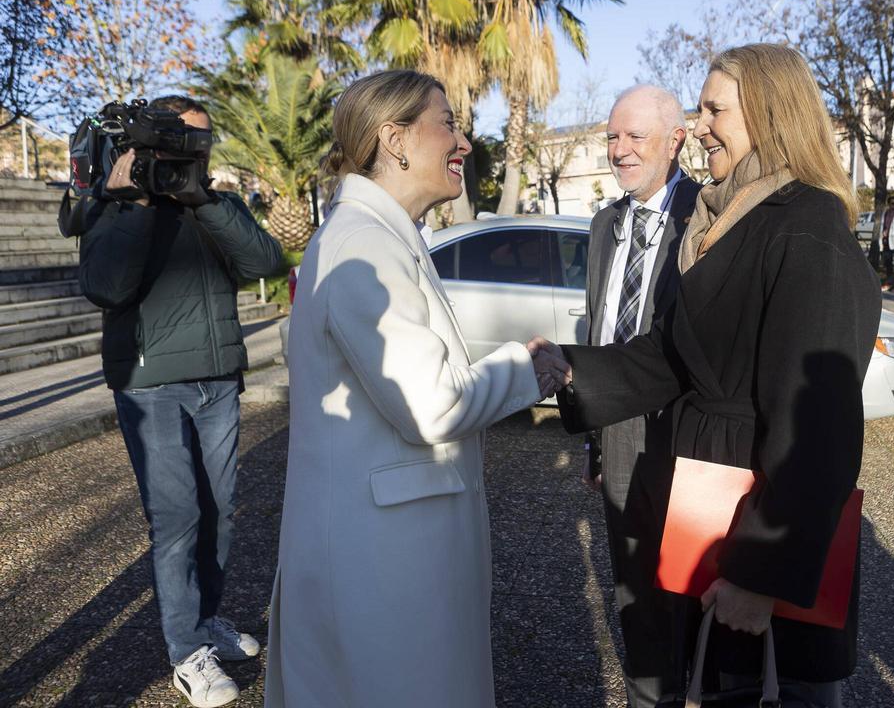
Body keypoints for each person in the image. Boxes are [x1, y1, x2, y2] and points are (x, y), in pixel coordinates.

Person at [548, 44, 881, 706]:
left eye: (713, 110)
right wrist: (567, 370)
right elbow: (672, 356)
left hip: (761, 533)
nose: (699, 127)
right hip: (716, 506)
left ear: (769, 115)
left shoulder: (807, 228)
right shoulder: (735, 220)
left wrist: (763, 573)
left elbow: (819, 430)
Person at [265, 69, 568, 708]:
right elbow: (431, 406)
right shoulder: (364, 244)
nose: (463, 141)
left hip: (391, 554)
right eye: (448, 122)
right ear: (395, 139)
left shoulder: (383, 237)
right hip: (381, 567)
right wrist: (526, 368)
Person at [78, 95, 283, 708]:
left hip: (217, 375)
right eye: (184, 139)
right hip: (149, 384)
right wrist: (137, 202)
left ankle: (205, 621)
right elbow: (107, 286)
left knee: (219, 510)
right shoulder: (111, 204)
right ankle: (186, 654)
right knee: (176, 520)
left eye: (204, 138)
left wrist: (204, 200)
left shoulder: (217, 202)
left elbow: (265, 262)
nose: (196, 149)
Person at [583, 84, 702, 708]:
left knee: (692, 590)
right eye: (611, 136)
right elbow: (600, 330)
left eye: (634, 136)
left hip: (686, 433)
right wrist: (595, 443)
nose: (619, 150)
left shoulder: (705, 216)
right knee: (635, 591)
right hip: (619, 431)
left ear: (675, 138)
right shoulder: (605, 224)